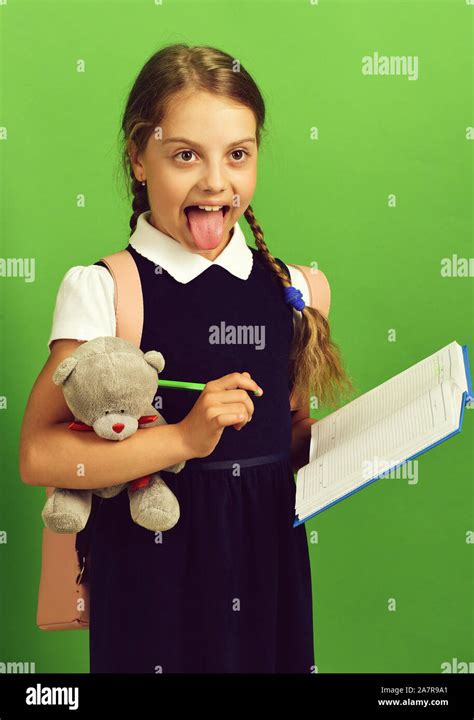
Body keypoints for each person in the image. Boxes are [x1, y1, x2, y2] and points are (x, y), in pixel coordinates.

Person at [19, 44, 353, 674]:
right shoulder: (108, 290)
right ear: (138, 159)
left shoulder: (299, 289)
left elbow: (286, 434)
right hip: (152, 578)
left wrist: (355, 435)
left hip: (268, 570)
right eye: (184, 156)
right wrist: (182, 438)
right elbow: (38, 454)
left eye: (238, 154)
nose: (215, 181)